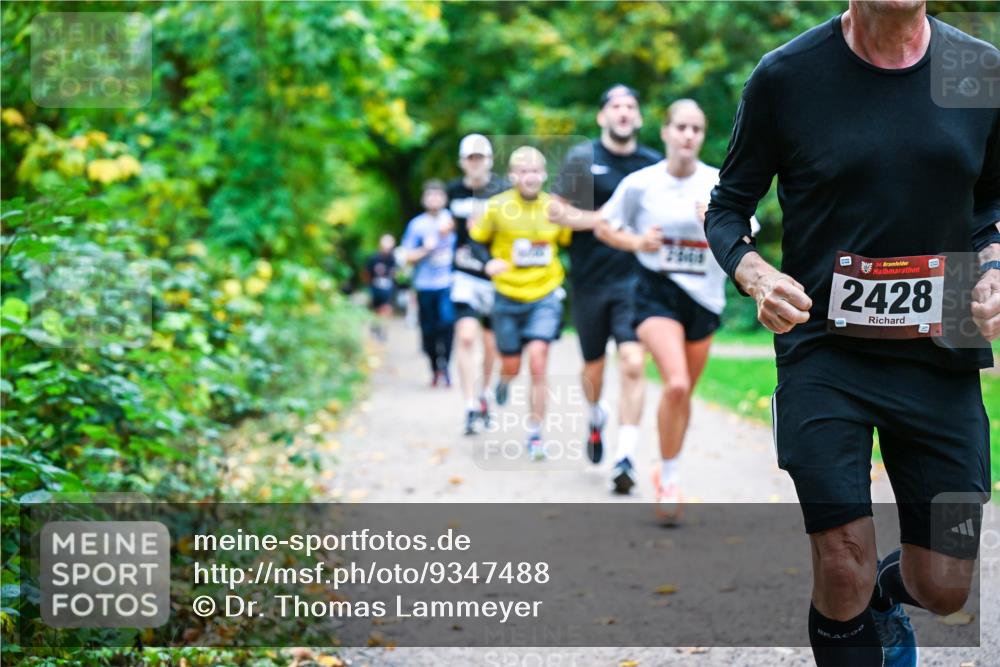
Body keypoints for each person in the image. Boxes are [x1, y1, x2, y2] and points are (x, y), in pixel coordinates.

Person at [705, 2, 1000, 666]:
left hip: (942, 348)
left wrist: (994, 266)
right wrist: (755, 274)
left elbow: (991, 200)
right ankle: (858, 604)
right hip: (824, 350)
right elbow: (728, 208)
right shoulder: (786, 76)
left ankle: (884, 600)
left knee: (946, 585)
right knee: (842, 565)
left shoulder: (978, 70)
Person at [597, 99, 750, 519]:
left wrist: (715, 223)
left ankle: (669, 469)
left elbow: (745, 237)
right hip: (654, 293)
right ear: (664, 132)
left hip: (704, 299)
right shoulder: (641, 184)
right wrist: (636, 243)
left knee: (683, 396)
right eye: (680, 127)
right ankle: (669, 479)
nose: (688, 136)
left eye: (696, 129)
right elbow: (604, 225)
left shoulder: (718, 183)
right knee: (677, 384)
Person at [549, 84, 662, 490]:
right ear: (603, 116)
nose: (624, 112)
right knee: (593, 367)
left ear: (639, 117)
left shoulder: (653, 164)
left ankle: (625, 457)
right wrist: (598, 220)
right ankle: (596, 414)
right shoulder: (584, 159)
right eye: (616, 105)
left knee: (633, 362)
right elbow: (554, 210)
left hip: (637, 280)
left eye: (631, 106)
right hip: (591, 280)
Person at [470, 146, 572, 460]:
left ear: (543, 175)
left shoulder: (555, 209)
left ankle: (535, 433)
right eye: (523, 171)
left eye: (535, 170)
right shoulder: (496, 207)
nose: (530, 176)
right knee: (511, 365)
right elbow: (476, 242)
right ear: (513, 176)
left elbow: (569, 243)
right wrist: (487, 263)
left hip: (544, 294)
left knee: (539, 362)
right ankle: (503, 381)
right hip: (507, 295)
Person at [447, 134, 509, 435]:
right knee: (466, 337)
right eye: (470, 157)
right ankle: (470, 404)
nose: (475, 163)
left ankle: (484, 394)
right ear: (462, 162)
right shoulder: (452, 192)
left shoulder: (503, 191)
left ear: (489, 160)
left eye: (480, 157)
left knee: (491, 346)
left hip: (495, 277)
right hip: (464, 275)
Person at [400, 180, 457, 387]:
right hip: (425, 286)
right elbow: (406, 256)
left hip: (448, 283)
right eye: (430, 195)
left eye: (438, 195)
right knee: (429, 331)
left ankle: (446, 367)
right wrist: (426, 249)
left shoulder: (453, 221)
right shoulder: (417, 225)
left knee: (448, 323)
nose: (434, 199)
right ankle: (434, 368)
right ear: (424, 200)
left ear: (444, 198)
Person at [364, 233, 397, 341]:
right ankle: (376, 327)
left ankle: (383, 331)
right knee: (377, 310)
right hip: (375, 288)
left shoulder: (392, 258)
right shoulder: (373, 258)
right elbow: (367, 273)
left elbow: (394, 273)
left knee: (387, 309)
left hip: (388, 288)